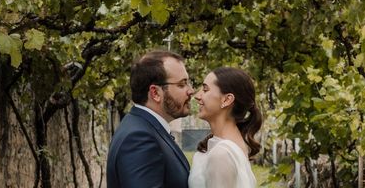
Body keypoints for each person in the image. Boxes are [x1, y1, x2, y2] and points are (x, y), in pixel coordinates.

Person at [107, 50, 195, 188]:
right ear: (155, 93)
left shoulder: (144, 128)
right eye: (182, 84)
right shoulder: (139, 138)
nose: (191, 91)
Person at [189, 67, 263, 188]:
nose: (197, 96)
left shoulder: (221, 154)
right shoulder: (230, 146)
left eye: (205, 89)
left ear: (227, 99)